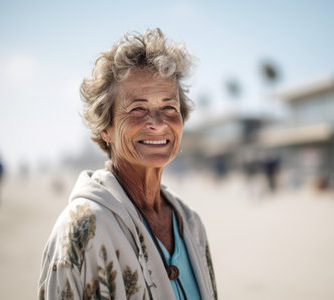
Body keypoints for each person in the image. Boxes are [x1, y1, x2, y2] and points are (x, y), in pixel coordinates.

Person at [38, 29, 217, 300]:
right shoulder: (82, 229)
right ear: (105, 128)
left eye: (169, 107)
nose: (157, 123)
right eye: (137, 109)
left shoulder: (191, 224)